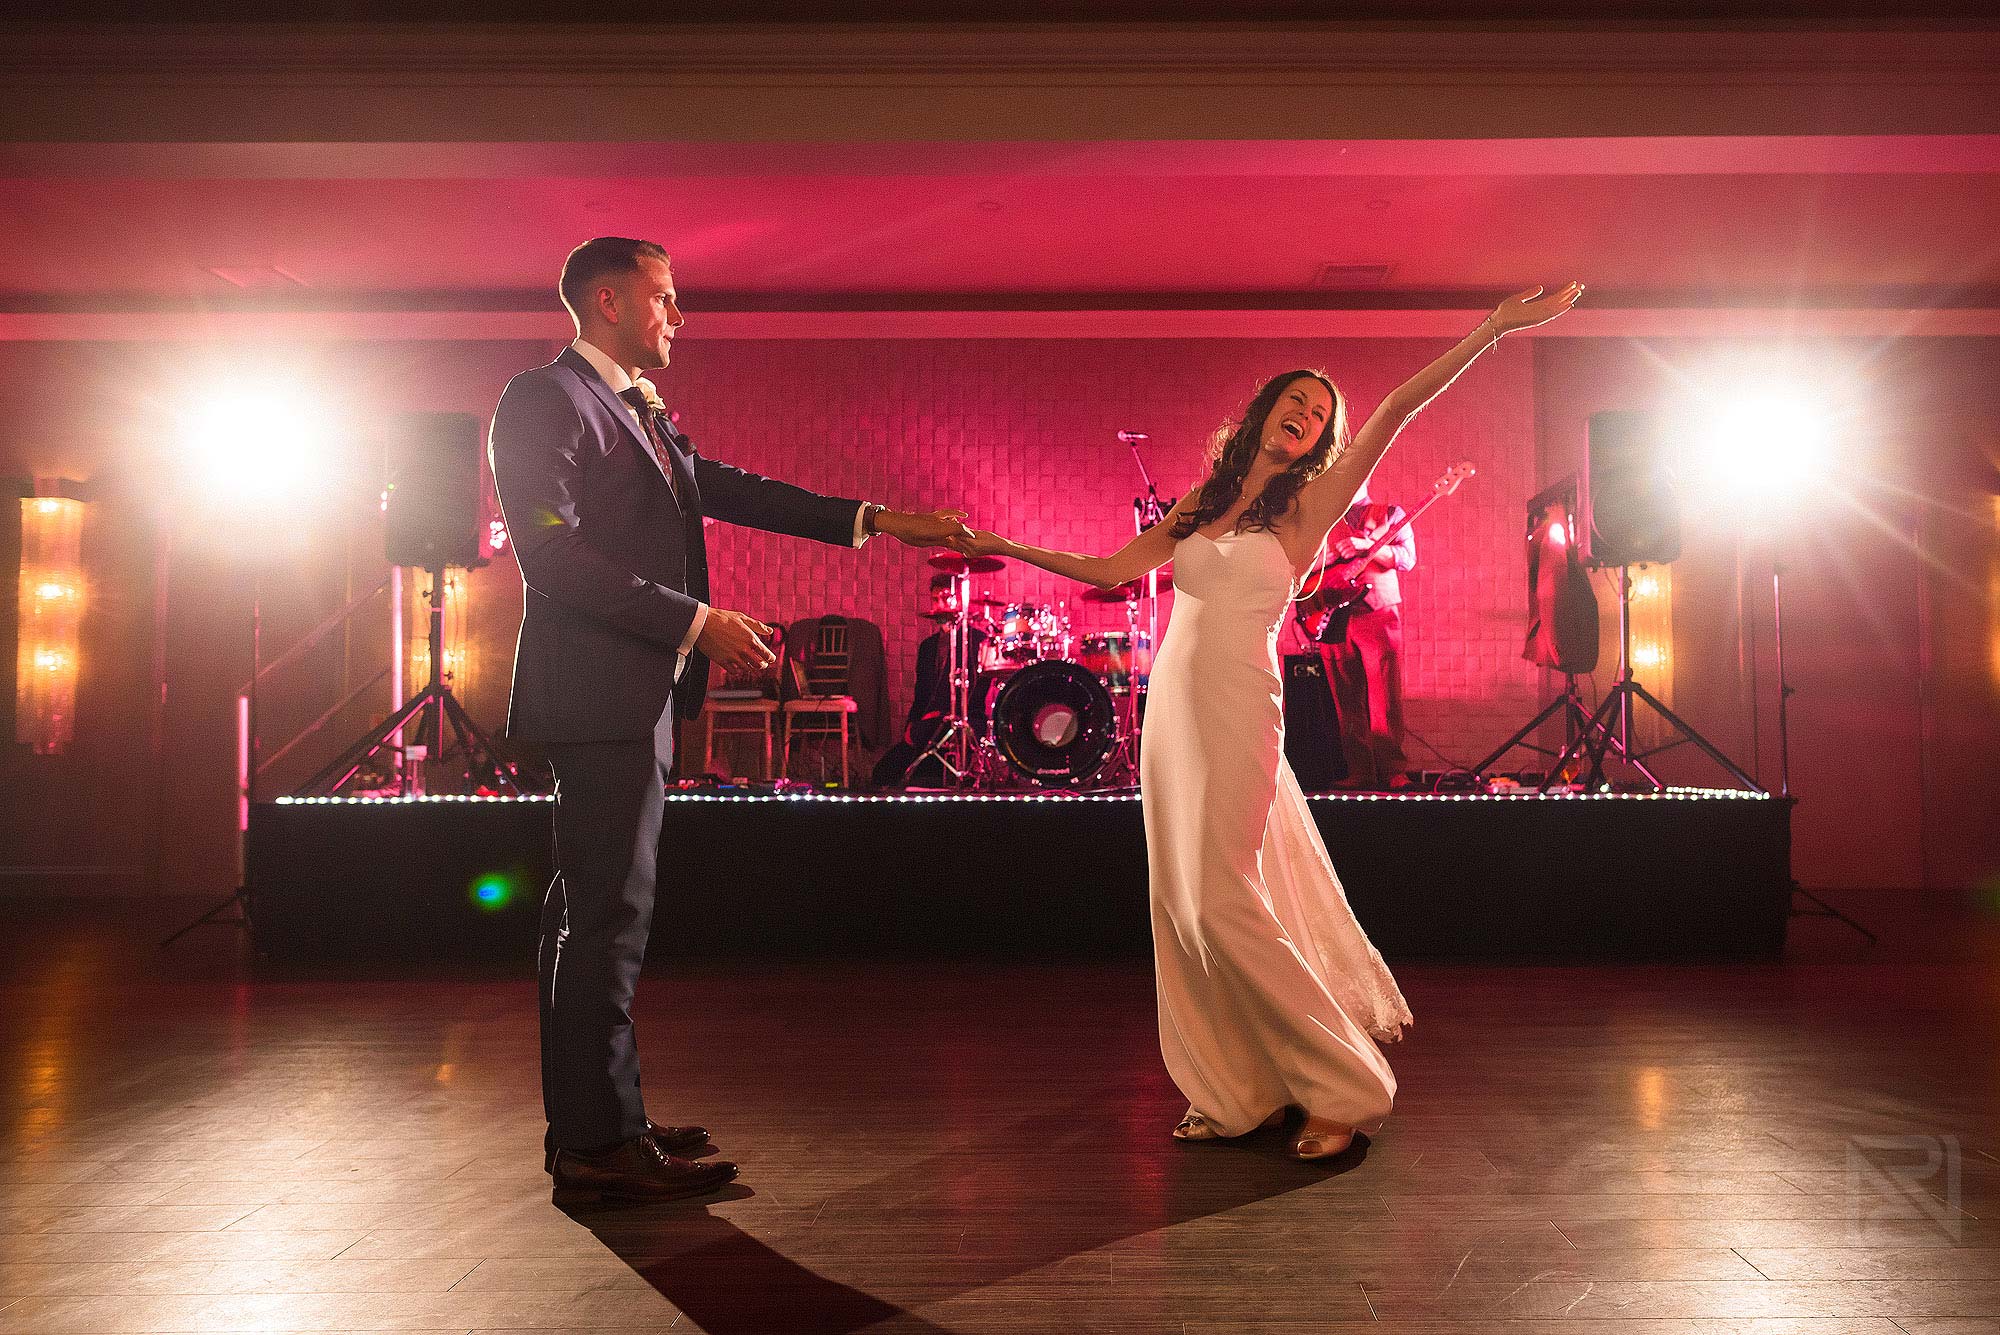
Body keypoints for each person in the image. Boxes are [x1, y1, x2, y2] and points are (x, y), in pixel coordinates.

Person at [949, 283, 1583, 1159]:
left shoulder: (1308, 505)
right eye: (1297, 400)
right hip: (1172, 709)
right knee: (1180, 906)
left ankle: (1345, 1088)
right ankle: (1236, 1091)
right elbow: (1109, 567)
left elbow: (1394, 410)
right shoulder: (1202, 501)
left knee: (1223, 899)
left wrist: (1494, 329)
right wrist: (1004, 546)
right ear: (1264, 411)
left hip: (1242, 700)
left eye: (1320, 415)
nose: (1308, 416)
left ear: (1322, 441)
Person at [489, 237, 970, 1203]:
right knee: (607, 918)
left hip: (630, 694)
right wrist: (696, 622)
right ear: (609, 302)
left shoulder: (634, 408)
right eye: (665, 296)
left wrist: (876, 519)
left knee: (591, 916)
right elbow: (553, 556)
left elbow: (730, 489)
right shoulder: (547, 398)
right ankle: (598, 1146)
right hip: (599, 694)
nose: (680, 314)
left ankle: (599, 1123)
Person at [1322, 479, 1416, 789]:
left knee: (1384, 695)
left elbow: (1407, 559)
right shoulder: (1323, 519)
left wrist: (1368, 547)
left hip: (1378, 612)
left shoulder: (1391, 513)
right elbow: (1302, 564)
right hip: (1334, 616)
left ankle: (1393, 771)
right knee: (1345, 697)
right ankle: (1359, 771)